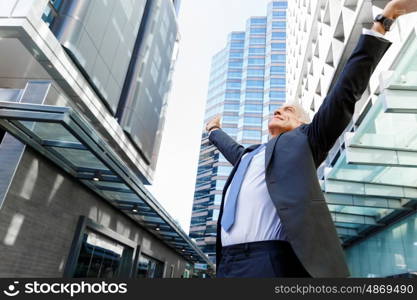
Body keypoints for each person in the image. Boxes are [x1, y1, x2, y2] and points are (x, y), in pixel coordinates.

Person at [206, 0, 417, 278]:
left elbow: (345, 91)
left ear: (304, 124)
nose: (279, 109)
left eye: (289, 110)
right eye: (278, 108)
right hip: (227, 263)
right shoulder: (249, 157)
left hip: (268, 260)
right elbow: (232, 148)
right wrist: (213, 131)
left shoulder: (307, 140)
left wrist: (385, 20)